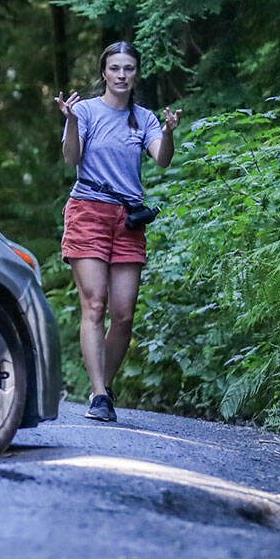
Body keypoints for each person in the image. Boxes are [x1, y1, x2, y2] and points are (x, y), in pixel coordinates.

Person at [54, 41, 180, 422]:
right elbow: (71, 158)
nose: (122, 75)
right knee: (94, 304)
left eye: (128, 68)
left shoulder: (144, 118)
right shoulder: (86, 111)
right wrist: (71, 120)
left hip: (128, 218)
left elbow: (162, 159)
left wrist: (170, 131)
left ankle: (103, 386)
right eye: (115, 68)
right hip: (88, 210)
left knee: (123, 314)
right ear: (104, 73)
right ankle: (97, 396)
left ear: (136, 73)